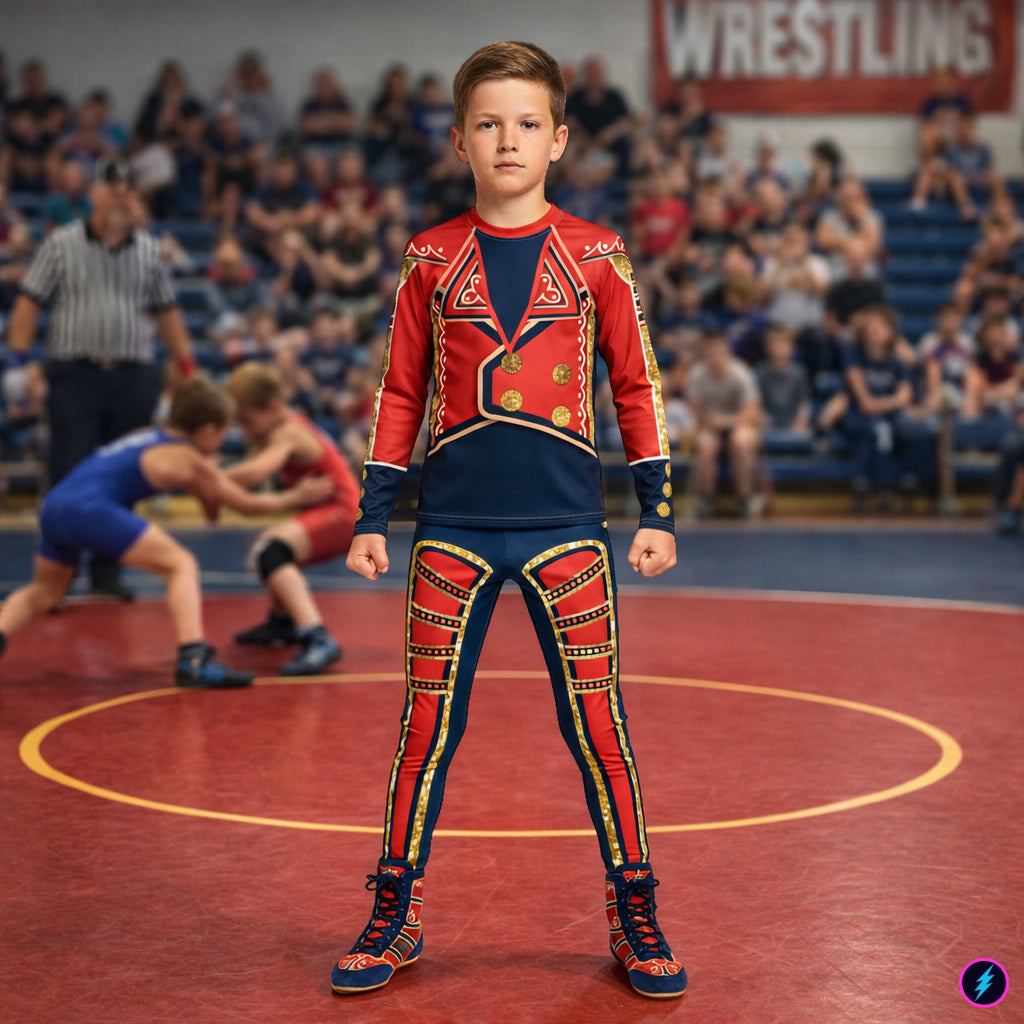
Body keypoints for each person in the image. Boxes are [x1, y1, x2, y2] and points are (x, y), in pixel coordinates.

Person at [329, 41, 686, 1001]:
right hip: (449, 529)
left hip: (569, 529)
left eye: (528, 123)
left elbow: (636, 383)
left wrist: (656, 507)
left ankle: (635, 909)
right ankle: (394, 912)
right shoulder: (429, 257)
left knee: (599, 725)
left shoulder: (600, 255)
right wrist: (372, 515)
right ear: (459, 141)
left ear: (560, 139)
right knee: (424, 725)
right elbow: (400, 390)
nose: (508, 140)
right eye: (488, 124)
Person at [0, 377, 331, 685]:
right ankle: (194, 658)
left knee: (44, 593)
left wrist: (211, 499)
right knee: (180, 564)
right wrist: (295, 497)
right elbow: (245, 504)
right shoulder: (187, 458)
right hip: (90, 509)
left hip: (55, 506)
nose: (222, 442)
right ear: (208, 430)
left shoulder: (151, 436)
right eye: (223, 433)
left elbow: (208, 495)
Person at [5, 156, 197, 600]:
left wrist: (186, 367)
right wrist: (18, 362)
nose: (119, 200)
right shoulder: (62, 244)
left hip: (133, 376)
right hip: (76, 375)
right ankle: (57, 576)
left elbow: (167, 313)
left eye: (126, 192)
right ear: (94, 195)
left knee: (125, 477)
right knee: (67, 474)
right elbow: (29, 302)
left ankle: (108, 572)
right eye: (111, 191)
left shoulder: (149, 250)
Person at [223, 362, 358, 675]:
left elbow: (256, 473)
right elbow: (247, 495)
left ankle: (317, 636)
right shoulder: (278, 430)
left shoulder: (288, 432)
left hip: (343, 513)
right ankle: (282, 622)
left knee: (271, 552)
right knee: (267, 549)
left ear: (273, 407)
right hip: (336, 510)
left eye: (248, 420)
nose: (245, 430)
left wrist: (203, 476)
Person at [687, 328, 763, 517]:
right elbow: (694, 409)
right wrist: (708, 421)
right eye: (710, 350)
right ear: (704, 353)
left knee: (741, 441)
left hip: (738, 423)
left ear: (727, 351)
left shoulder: (741, 373)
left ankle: (745, 498)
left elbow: (753, 412)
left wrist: (726, 421)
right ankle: (706, 500)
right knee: (706, 444)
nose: (715, 355)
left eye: (718, 350)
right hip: (709, 426)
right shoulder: (696, 375)